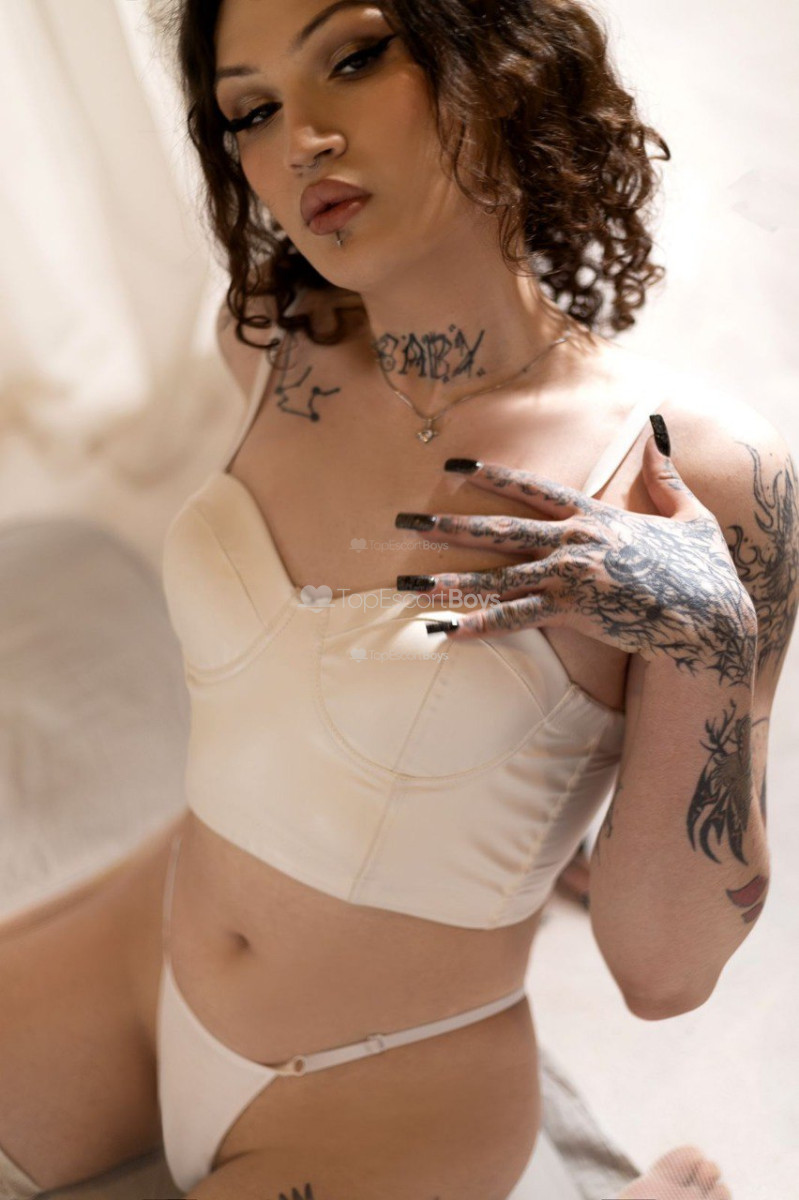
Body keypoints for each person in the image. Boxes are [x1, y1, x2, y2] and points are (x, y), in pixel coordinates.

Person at [1, 0, 794, 1196]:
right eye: (252, 110)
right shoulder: (269, 342)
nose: (301, 139)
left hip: (380, 1085)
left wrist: (709, 645)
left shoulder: (694, 476)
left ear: (498, 59)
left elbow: (664, 974)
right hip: (141, 946)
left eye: (356, 57)